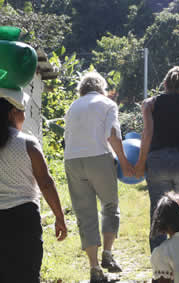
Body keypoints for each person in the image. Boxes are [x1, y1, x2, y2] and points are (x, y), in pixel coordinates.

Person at [0, 78, 68, 283]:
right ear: (13, 113)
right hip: (22, 220)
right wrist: (60, 217)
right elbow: (46, 183)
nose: (24, 115)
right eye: (23, 110)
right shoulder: (28, 144)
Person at [64, 71, 134, 282]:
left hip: (72, 161)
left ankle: (95, 269)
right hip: (98, 157)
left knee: (85, 215)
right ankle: (108, 255)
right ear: (101, 88)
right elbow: (112, 134)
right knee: (110, 206)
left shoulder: (72, 106)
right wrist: (123, 161)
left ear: (82, 89)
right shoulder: (107, 104)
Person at [135, 66, 179, 251]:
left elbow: (147, 135)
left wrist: (140, 164)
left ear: (164, 84)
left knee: (158, 211)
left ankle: (159, 261)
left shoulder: (150, 104)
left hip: (158, 161)